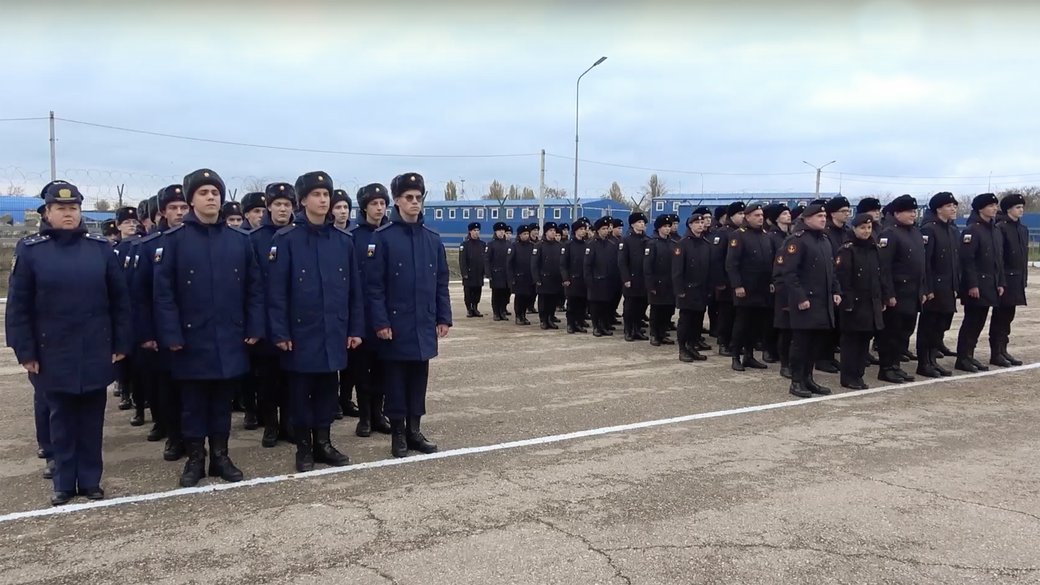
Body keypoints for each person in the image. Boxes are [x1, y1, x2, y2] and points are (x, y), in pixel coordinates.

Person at [7, 181, 132, 505]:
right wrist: (26, 351)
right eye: (61, 208)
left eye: (73, 208)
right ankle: (64, 482)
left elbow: (120, 302)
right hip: (53, 352)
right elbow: (19, 307)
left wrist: (121, 342)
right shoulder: (32, 251)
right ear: (48, 212)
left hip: (95, 348)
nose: (68, 213)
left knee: (91, 421)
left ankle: (90, 481)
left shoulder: (100, 249)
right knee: (60, 421)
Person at [153, 168, 264, 487]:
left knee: (221, 403)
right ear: (191, 201)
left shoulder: (239, 240)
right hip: (190, 339)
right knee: (192, 404)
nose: (211, 197)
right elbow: (163, 294)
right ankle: (194, 459)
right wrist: (171, 334)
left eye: (215, 192)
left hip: (229, 335)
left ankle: (220, 456)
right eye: (204, 193)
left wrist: (254, 325)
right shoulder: (174, 241)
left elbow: (254, 288)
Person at [267, 172, 364, 472]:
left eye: (327, 195)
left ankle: (324, 442)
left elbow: (354, 290)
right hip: (300, 332)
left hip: (332, 329)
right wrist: (280, 331)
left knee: (326, 389)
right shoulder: (286, 239)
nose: (323, 200)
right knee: (300, 392)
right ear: (303, 200)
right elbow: (276, 291)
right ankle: (304, 448)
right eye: (317, 195)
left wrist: (355, 329)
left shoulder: (343, 241)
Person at [365, 172, 451, 458]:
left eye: (418, 198)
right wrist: (380, 322)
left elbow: (441, 281)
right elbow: (374, 287)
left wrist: (443, 317)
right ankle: (398, 434)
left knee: (418, 381)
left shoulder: (432, 239)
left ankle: (415, 431)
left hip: (423, 323)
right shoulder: (383, 239)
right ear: (397, 202)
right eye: (408, 198)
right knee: (396, 382)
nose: (414, 203)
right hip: (395, 326)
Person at [132, 184, 190, 461]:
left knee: (192, 392)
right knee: (166, 390)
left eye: (183, 208)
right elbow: (140, 296)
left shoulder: (193, 240)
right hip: (160, 333)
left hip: (191, 330)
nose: (179, 213)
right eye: (173, 208)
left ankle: (194, 439)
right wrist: (146, 333)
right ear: (162, 213)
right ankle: (174, 437)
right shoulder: (149, 247)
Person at [249, 182, 299, 446]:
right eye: (277, 204)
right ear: (268, 207)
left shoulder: (298, 235)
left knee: (291, 377)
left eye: (287, 204)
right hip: (266, 321)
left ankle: (289, 423)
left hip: (294, 320)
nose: (282, 209)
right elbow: (251, 285)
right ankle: (270, 424)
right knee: (267, 379)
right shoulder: (255, 239)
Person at [346, 183, 394, 437]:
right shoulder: (353, 237)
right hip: (362, 317)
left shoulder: (389, 234)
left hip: (386, 316)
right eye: (374, 203)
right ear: (364, 206)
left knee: (383, 370)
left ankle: (379, 413)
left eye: (382, 203)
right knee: (362, 372)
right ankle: (364, 417)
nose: (379, 208)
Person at [780, 203, 841, 398]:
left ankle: (808, 378)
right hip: (805, 303)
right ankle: (796, 381)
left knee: (815, 344)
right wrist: (800, 297)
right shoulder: (797, 241)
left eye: (824, 216)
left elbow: (830, 271)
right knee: (801, 344)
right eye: (818, 216)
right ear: (806, 219)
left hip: (822, 303)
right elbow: (789, 274)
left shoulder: (824, 240)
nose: (823, 219)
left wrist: (835, 290)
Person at [876, 195, 927, 384]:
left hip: (912, 293)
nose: (913, 214)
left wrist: (922, 289)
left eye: (914, 211)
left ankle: (895, 365)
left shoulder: (914, 232)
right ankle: (886, 367)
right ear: (897, 213)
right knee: (891, 333)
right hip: (897, 293)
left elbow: (921, 265)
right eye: (909, 211)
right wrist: (888, 294)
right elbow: (884, 267)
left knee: (905, 331)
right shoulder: (889, 233)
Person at [955, 193, 1005, 372]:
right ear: (980, 209)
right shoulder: (972, 230)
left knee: (979, 321)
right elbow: (967, 260)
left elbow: (998, 260)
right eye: (990, 206)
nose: (994, 209)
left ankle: (970, 355)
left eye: (995, 205)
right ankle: (963, 357)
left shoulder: (994, 229)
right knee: (972, 321)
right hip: (977, 284)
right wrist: (972, 284)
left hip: (990, 283)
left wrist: (1000, 282)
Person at [835, 214, 885, 389]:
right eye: (862, 228)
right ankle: (848, 376)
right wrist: (847, 303)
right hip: (853, 304)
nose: (866, 231)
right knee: (851, 342)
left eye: (869, 228)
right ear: (854, 229)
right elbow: (842, 279)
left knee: (864, 341)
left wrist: (881, 298)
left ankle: (858, 374)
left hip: (870, 303)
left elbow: (879, 276)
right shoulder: (847, 250)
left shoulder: (874, 249)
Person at [725, 202, 774, 370]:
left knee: (756, 325)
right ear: (747, 216)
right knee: (742, 324)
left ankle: (749, 355)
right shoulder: (739, 235)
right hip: (745, 289)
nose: (760, 218)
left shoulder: (766, 236)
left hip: (762, 289)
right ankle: (735, 356)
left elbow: (770, 262)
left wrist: (772, 283)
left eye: (761, 215)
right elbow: (732, 263)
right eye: (756, 215)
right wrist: (737, 285)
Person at [916, 192, 960, 378]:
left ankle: (933, 359)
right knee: (928, 326)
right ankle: (924, 362)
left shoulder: (952, 229)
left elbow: (955, 261)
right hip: (935, 288)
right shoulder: (929, 229)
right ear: (938, 209)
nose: (953, 209)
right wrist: (928, 288)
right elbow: (925, 263)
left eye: (954, 206)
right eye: (949, 206)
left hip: (948, 287)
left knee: (940, 326)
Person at [991, 193, 1027, 367]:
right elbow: (999, 257)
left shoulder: (1022, 229)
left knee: (1008, 317)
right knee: (1000, 317)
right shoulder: (1001, 227)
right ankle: (996, 352)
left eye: (1022, 207)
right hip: (1006, 279)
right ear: (1008, 209)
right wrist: (1001, 280)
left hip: (1017, 279)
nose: (1021, 210)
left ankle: (1003, 349)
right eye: (1017, 207)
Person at [673, 212, 712, 362]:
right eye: (697, 223)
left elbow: (709, 268)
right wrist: (679, 290)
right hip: (687, 290)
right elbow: (677, 270)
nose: (700, 225)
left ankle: (692, 346)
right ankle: (682, 349)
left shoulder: (706, 244)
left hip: (701, 290)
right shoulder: (682, 244)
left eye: (702, 223)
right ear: (690, 225)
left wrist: (709, 288)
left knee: (697, 321)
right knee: (686, 321)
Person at [711, 201, 745, 356]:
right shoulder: (723, 233)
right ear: (731, 215)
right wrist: (719, 281)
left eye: (744, 213)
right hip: (726, 281)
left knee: (737, 315)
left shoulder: (742, 232)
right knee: (726, 314)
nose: (742, 216)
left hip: (739, 281)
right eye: (739, 213)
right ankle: (723, 343)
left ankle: (734, 342)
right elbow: (717, 259)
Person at [584, 217, 619, 337]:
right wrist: (589, 282)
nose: (606, 231)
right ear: (598, 230)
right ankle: (596, 327)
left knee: (606, 306)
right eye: (603, 229)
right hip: (596, 281)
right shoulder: (591, 244)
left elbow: (614, 263)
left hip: (608, 282)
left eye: (606, 228)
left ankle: (604, 326)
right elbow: (587, 266)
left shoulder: (611, 244)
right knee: (595, 307)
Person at [618, 212, 650, 341]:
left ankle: (637, 329)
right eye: (639, 222)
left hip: (644, 279)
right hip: (631, 279)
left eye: (643, 223)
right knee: (630, 306)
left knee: (641, 306)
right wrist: (626, 279)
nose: (642, 224)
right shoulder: (626, 240)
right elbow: (622, 262)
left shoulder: (647, 240)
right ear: (632, 224)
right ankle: (628, 330)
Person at [645, 215, 676, 346]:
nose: (667, 229)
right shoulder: (652, 244)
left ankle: (663, 333)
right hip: (657, 283)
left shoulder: (674, 244)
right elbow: (647, 266)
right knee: (656, 310)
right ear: (658, 228)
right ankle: (654, 334)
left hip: (670, 283)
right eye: (665, 226)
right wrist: (650, 285)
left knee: (668, 310)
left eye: (669, 226)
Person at [532, 222, 564, 329]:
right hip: (543, 278)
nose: (553, 232)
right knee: (543, 301)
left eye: (554, 231)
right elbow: (534, 264)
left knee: (553, 300)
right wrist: (536, 278)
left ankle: (550, 318)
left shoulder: (559, 246)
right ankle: (543, 320)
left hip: (555, 279)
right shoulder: (539, 245)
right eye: (551, 230)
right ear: (546, 232)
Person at [560, 219, 589, 334]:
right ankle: (571, 324)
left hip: (584, 279)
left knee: (582, 303)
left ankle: (579, 323)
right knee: (572, 303)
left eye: (584, 229)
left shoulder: (587, 244)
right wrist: (565, 278)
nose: (583, 231)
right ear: (575, 231)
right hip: (572, 279)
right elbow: (563, 264)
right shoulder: (568, 245)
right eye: (581, 229)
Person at [507, 224, 536, 326]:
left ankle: (523, 315)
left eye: (527, 233)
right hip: (518, 277)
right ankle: (518, 316)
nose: (526, 236)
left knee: (527, 298)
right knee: (519, 298)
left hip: (529, 277)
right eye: (524, 234)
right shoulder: (514, 246)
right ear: (519, 235)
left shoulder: (532, 246)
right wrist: (511, 278)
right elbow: (509, 263)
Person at [485, 222, 512, 321]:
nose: (501, 232)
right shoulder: (491, 244)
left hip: (506, 274)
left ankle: (502, 311)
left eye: (503, 231)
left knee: (505, 294)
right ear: (495, 232)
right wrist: (488, 273)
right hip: (496, 273)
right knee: (496, 294)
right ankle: (496, 313)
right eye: (499, 231)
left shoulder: (508, 244)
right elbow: (487, 259)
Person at [459, 222, 487, 318]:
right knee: (468, 293)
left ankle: (475, 307)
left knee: (477, 292)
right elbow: (462, 260)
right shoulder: (465, 245)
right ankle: (469, 309)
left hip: (478, 273)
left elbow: (484, 259)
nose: (476, 232)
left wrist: (484, 271)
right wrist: (464, 273)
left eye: (478, 230)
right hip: (469, 273)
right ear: (470, 232)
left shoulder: (482, 244)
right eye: (474, 230)